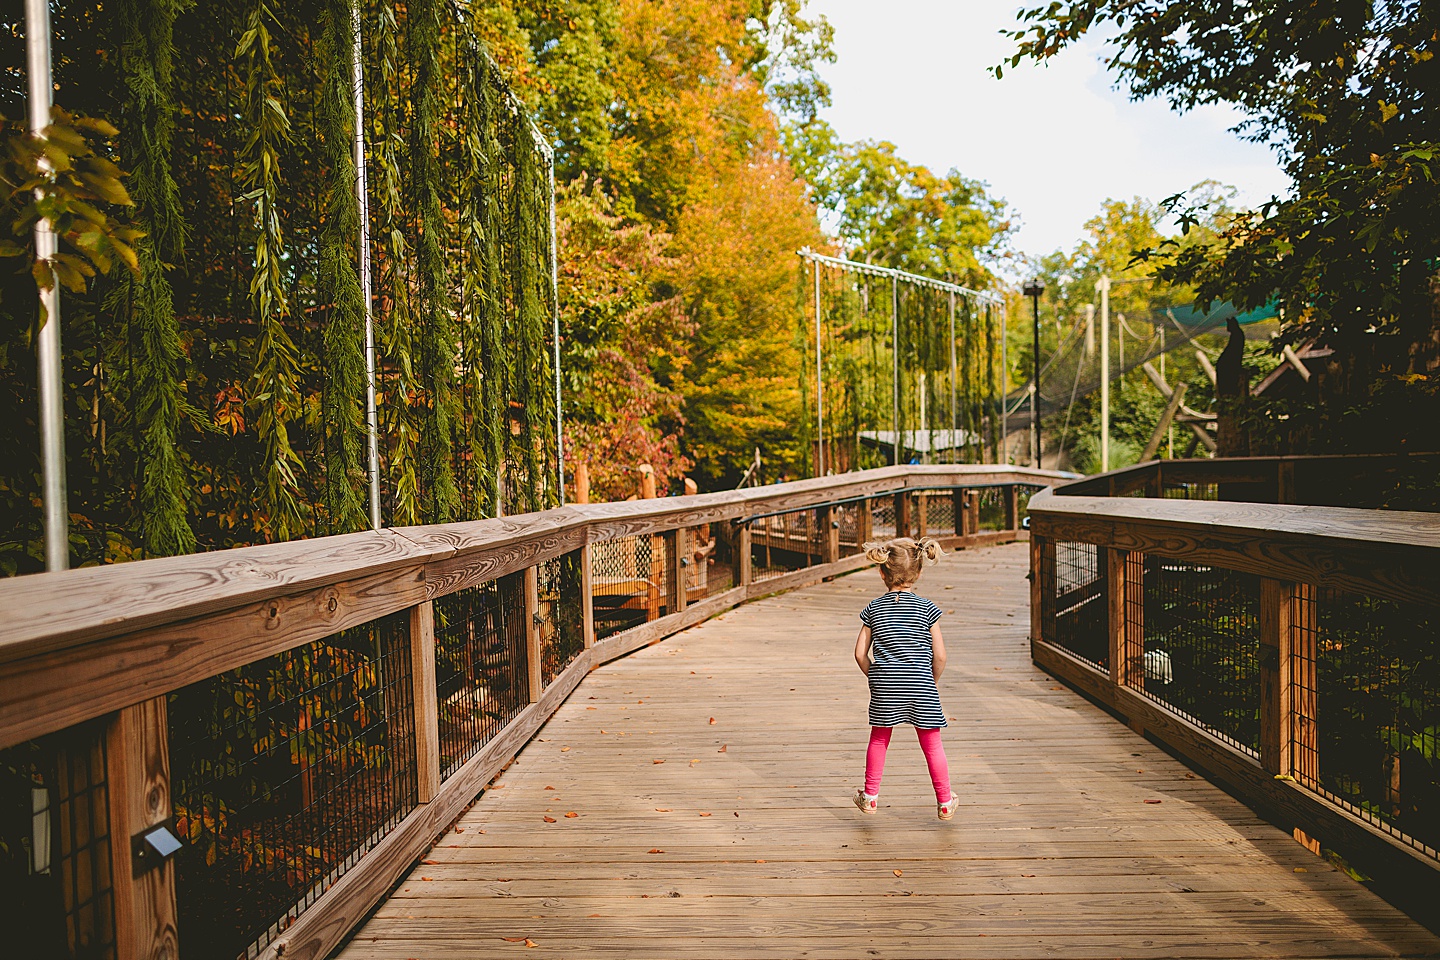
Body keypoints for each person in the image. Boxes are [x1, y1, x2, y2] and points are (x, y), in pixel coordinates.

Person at [851, 536, 958, 820]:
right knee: (931, 742)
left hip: (885, 684)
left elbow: (860, 653)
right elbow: (941, 655)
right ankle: (945, 801)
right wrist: (930, 680)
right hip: (922, 683)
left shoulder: (874, 608)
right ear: (919, 572)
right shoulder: (927, 609)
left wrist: (875, 675)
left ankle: (870, 797)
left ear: (882, 572)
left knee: (879, 738)